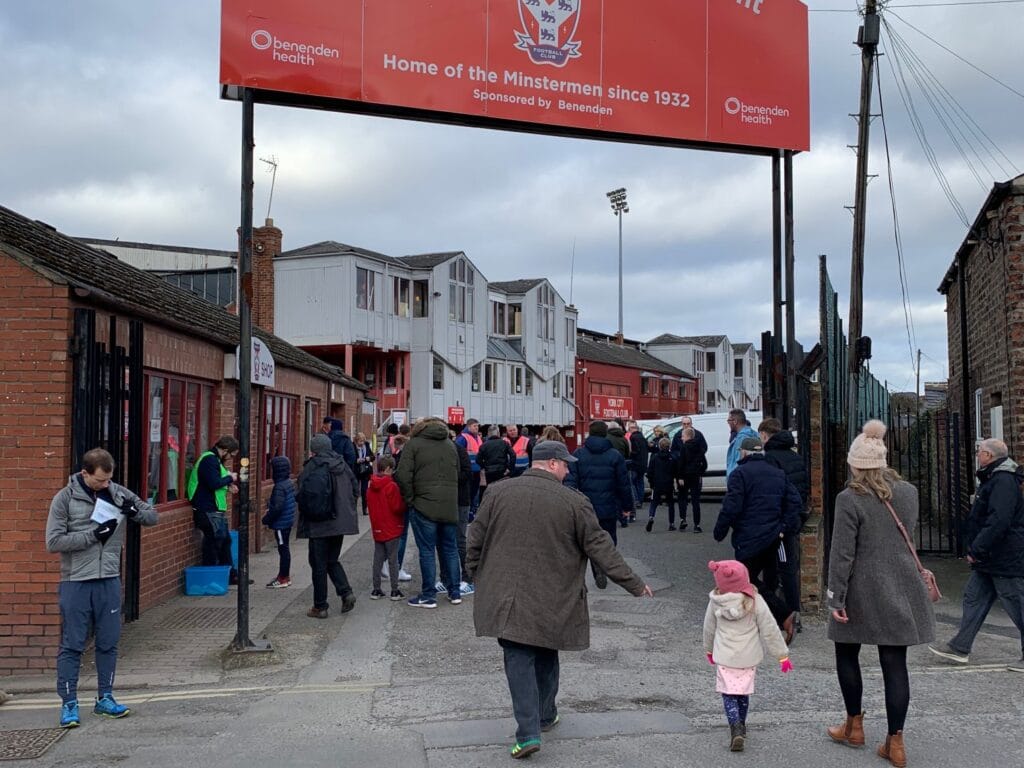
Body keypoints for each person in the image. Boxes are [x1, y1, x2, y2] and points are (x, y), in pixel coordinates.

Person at [466, 440, 654, 759]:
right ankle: (542, 717)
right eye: (565, 464)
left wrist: (476, 574)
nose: (569, 469)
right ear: (552, 464)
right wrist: (633, 583)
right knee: (544, 648)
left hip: (505, 594)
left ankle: (529, 732)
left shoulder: (497, 492)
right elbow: (601, 548)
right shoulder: (574, 502)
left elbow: (475, 537)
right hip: (553, 594)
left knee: (518, 655)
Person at [825, 420, 935, 768]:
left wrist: (835, 598)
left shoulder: (849, 498)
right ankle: (896, 743)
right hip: (900, 585)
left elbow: (842, 553)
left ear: (856, 463)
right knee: (894, 663)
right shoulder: (909, 492)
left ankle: (854, 726)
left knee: (846, 652)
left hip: (859, 588)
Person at [45, 447, 159, 727]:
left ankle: (105, 698)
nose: (105, 485)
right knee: (73, 644)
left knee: (108, 643)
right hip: (76, 580)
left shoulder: (117, 492)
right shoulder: (65, 498)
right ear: (85, 474)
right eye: (100, 481)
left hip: (108, 578)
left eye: (109, 479)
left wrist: (134, 511)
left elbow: (152, 516)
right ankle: (69, 704)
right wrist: (93, 535)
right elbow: (54, 542)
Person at [930, 438, 1024, 670]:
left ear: (990, 456)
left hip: (1004, 556)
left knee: (1017, 605)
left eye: (980, 452)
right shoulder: (993, 478)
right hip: (990, 558)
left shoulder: (1003, 481)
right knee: (973, 598)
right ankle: (960, 647)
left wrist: (977, 548)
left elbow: (999, 520)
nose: (977, 455)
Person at [713, 437, 802, 641]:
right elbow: (795, 502)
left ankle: (783, 614)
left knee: (744, 580)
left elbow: (731, 507)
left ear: (744, 453)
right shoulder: (778, 474)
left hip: (749, 537)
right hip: (773, 536)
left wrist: (720, 531)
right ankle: (766, 622)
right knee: (768, 580)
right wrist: (784, 527)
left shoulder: (740, 474)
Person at [703, 560, 792, 753]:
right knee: (742, 692)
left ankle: (734, 726)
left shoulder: (715, 601)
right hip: (748, 657)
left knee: (728, 694)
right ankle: (741, 724)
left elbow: (709, 628)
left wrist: (709, 650)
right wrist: (782, 655)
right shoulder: (755, 601)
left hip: (725, 656)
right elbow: (769, 629)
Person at [395, 417, 462, 608]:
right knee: (450, 548)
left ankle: (428, 595)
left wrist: (410, 499)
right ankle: (454, 591)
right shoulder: (450, 444)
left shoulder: (414, 444)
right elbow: (457, 473)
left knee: (427, 550)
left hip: (423, 504)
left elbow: (402, 474)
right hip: (449, 504)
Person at [297, 434, 359, 619]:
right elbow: (356, 489)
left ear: (313, 449)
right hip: (339, 523)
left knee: (318, 565)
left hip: (319, 524)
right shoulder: (342, 465)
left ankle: (320, 606)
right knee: (332, 559)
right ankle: (346, 592)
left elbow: (302, 492)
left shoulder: (312, 466)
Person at [567, 420, 634, 588]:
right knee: (609, 539)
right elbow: (623, 484)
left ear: (590, 433)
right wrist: (627, 507)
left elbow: (570, 482)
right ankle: (603, 565)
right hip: (608, 506)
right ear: (605, 434)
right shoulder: (614, 455)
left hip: (584, 508)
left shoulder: (578, 454)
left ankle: (595, 566)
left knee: (585, 539)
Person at [759, 418, 810, 625]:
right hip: (793, 517)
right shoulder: (794, 456)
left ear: (764, 434)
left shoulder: (770, 458)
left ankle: (790, 613)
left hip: (780, 523)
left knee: (783, 569)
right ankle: (779, 612)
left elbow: (772, 493)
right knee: (778, 568)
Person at [187, 435, 245, 584]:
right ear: (225, 450)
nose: (231, 458)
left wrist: (227, 486)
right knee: (214, 542)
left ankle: (230, 575)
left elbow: (212, 484)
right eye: (231, 455)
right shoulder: (209, 460)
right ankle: (213, 576)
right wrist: (230, 478)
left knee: (224, 540)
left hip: (213, 508)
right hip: (207, 509)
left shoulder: (215, 460)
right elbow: (213, 483)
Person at [367, 455, 406, 601]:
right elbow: (397, 507)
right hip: (392, 526)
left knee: (378, 559)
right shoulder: (391, 486)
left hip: (378, 526)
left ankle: (376, 589)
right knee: (393, 560)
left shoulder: (371, 485)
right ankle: (394, 590)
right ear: (389, 469)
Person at [262, 455, 296, 589]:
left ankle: (283, 577)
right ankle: (284, 576)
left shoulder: (279, 487)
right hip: (286, 522)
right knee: (285, 549)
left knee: (283, 550)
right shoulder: (288, 483)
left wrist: (266, 519)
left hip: (281, 524)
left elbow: (277, 507)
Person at [676, 427, 708, 533]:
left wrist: (680, 476)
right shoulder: (699, 448)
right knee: (695, 501)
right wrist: (700, 472)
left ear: (688, 436)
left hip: (685, 476)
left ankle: (683, 519)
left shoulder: (684, 447)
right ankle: (697, 525)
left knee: (682, 498)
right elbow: (704, 464)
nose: (681, 438)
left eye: (683, 436)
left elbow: (681, 462)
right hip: (695, 476)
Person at [645, 437, 677, 532]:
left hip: (657, 483)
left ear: (659, 446)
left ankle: (651, 517)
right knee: (671, 503)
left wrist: (651, 483)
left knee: (654, 502)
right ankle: (671, 523)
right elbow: (675, 471)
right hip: (668, 483)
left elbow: (650, 471)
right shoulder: (672, 458)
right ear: (669, 446)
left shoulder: (654, 457)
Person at [477, 424, 516, 499]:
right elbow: (513, 455)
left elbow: (478, 459)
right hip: (502, 471)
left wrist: (484, 467)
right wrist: (510, 468)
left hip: (489, 472)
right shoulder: (504, 443)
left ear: (488, 434)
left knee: (490, 492)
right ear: (498, 433)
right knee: (502, 492)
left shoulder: (484, 445)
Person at [726, 409, 758, 477]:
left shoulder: (741, 439)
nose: (728, 423)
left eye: (729, 420)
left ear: (735, 421)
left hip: (738, 481)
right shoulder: (754, 435)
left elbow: (738, 463)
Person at [627, 421, 649, 518]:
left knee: (633, 482)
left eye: (630, 428)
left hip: (635, 463)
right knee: (640, 482)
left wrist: (630, 455)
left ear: (633, 429)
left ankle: (636, 500)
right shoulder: (643, 438)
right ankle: (640, 500)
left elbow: (635, 451)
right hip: (643, 464)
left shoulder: (633, 437)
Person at [354, 432, 374, 515]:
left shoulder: (367, 445)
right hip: (356, 471)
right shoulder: (353, 447)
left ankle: (364, 509)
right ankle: (353, 508)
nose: (361, 443)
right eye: (360, 441)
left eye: (363, 441)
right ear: (356, 441)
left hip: (365, 471)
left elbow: (373, 457)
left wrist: (369, 458)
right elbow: (350, 458)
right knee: (355, 490)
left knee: (364, 490)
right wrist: (356, 460)